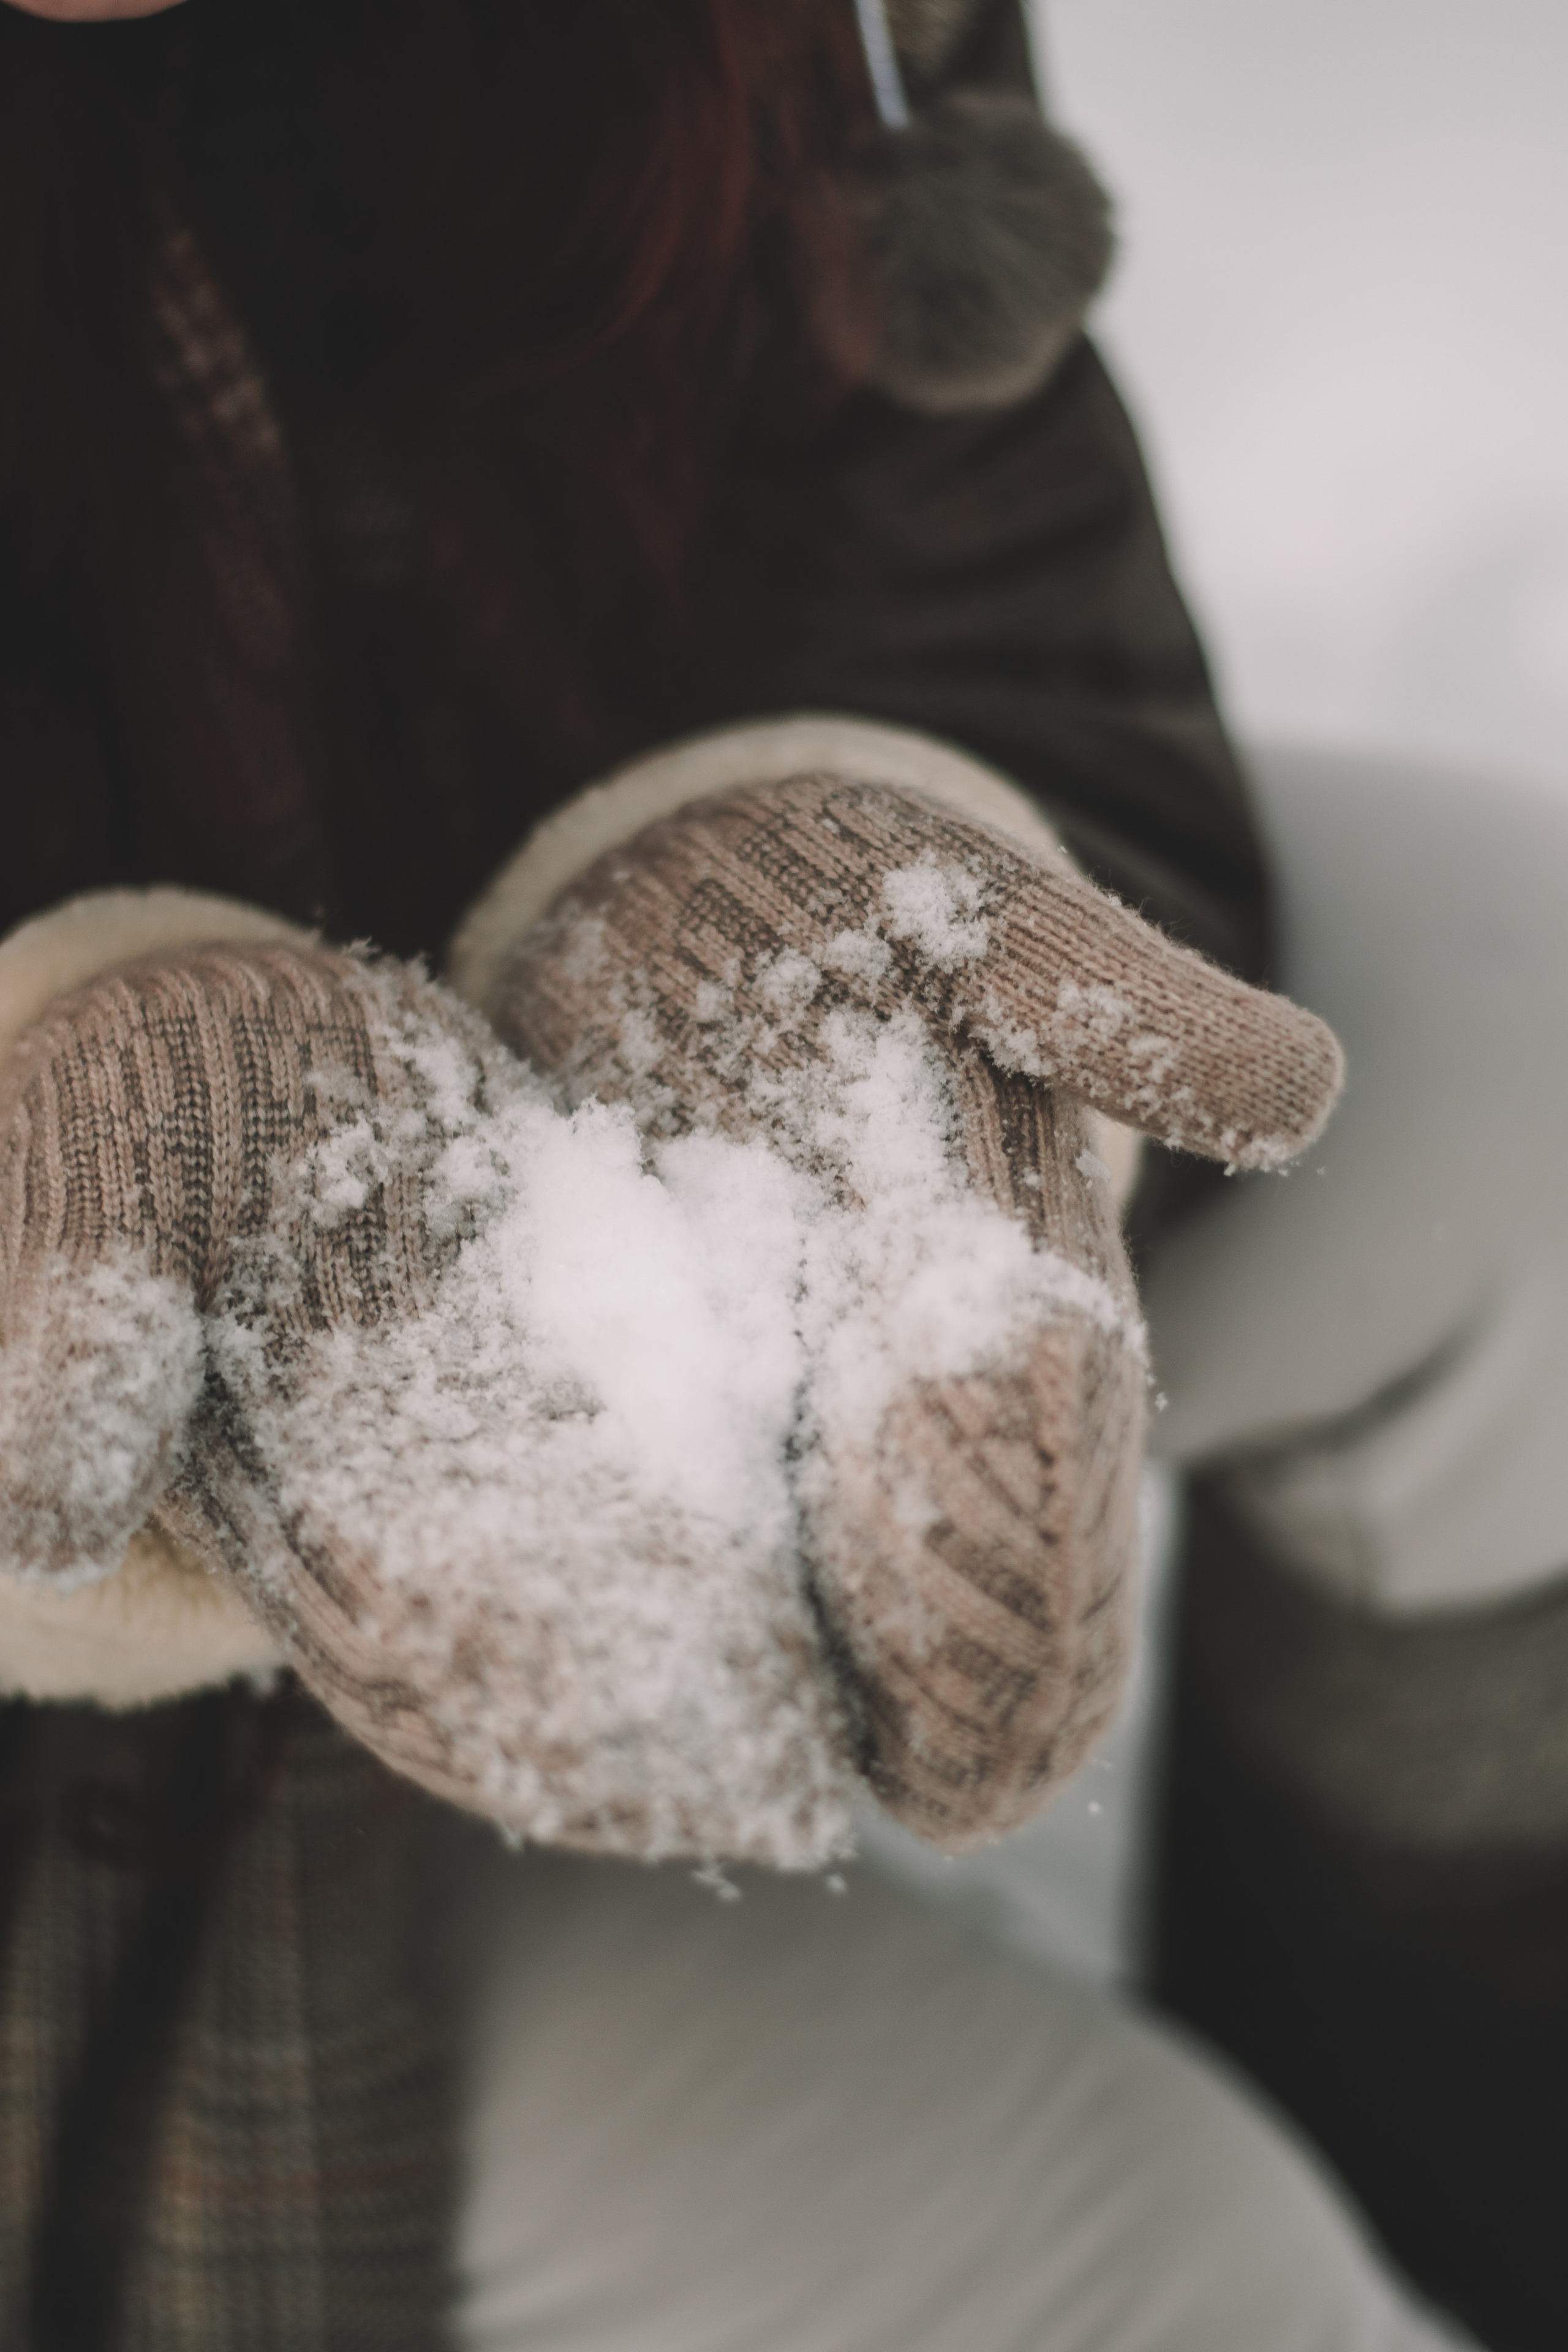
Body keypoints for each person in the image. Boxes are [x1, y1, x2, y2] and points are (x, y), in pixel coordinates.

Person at [0, 0, 1522, 2343]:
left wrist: (817, 917)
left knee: (1524, 1057)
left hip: (520, 1074)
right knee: (1165, 2284)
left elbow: (1018, 622)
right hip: (82, 1900)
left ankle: (1479, 2146)